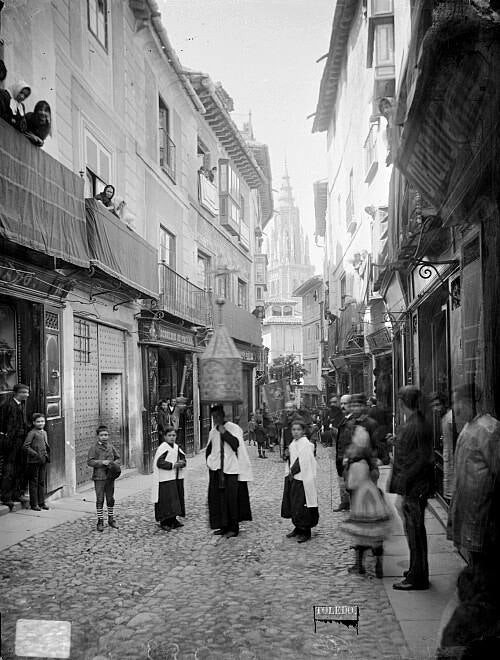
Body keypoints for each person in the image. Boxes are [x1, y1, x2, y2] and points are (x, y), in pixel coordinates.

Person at [447, 383, 500, 575]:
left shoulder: (489, 429)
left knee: (484, 564)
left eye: (456, 402)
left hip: (482, 512)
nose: (455, 408)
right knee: (475, 561)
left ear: (468, 402)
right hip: (469, 510)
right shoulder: (470, 426)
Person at [389, 386, 434, 590]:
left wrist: (405, 484)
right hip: (415, 485)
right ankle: (417, 568)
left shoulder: (414, 425)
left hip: (414, 487)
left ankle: (418, 576)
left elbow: (420, 459)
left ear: (401, 403)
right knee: (415, 529)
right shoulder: (417, 423)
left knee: (415, 531)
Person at [341, 428, 391, 577]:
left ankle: (359, 564)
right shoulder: (370, 459)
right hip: (373, 496)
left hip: (361, 498)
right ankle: (379, 564)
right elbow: (376, 475)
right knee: (375, 532)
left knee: (360, 532)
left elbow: (351, 484)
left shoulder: (356, 461)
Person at [206, 405, 252, 538]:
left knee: (231, 499)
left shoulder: (233, 428)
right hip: (217, 470)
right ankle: (223, 525)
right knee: (218, 499)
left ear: (223, 416)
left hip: (231, 469)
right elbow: (210, 449)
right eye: (214, 417)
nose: (216, 420)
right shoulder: (212, 432)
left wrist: (224, 432)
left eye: (218, 416)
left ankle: (233, 527)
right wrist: (210, 462)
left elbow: (235, 444)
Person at [281, 418, 319, 543]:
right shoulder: (293, 443)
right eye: (293, 429)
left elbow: (302, 461)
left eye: (298, 430)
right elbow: (292, 458)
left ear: (303, 431)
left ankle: (305, 530)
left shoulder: (306, 444)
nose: (295, 432)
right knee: (294, 503)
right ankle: (297, 527)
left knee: (303, 504)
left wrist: (292, 471)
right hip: (294, 478)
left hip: (303, 478)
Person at [0, 383, 30, 510]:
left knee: (20, 468)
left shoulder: (21, 404)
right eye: (25, 392)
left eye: (27, 392)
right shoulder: (7, 405)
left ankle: (16, 494)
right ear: (17, 393)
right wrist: (5, 438)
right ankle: (6, 497)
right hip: (10, 442)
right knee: (9, 469)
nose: (27, 395)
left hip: (20, 441)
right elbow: (2, 424)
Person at [151, 425, 186, 530]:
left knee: (175, 499)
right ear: (165, 437)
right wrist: (173, 465)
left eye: (174, 435)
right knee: (165, 500)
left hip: (175, 478)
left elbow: (183, 457)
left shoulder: (176, 447)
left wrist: (182, 462)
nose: (172, 437)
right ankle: (164, 521)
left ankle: (173, 519)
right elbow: (159, 462)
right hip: (165, 479)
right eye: (169, 435)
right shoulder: (163, 448)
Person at [87, 425, 121, 532]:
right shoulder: (94, 448)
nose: (104, 437)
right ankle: (100, 521)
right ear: (98, 436)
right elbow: (90, 461)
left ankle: (111, 519)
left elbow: (118, 458)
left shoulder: (111, 447)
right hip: (99, 477)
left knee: (110, 499)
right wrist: (102, 462)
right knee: (100, 499)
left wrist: (113, 464)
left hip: (110, 477)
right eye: (102, 435)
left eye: (106, 435)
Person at [23, 412, 50, 511]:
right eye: (38, 422)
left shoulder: (44, 432)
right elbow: (26, 446)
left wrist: (46, 455)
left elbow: (45, 445)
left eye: (42, 421)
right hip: (34, 461)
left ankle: (41, 502)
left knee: (41, 482)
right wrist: (35, 454)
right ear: (34, 423)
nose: (40, 423)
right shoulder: (32, 433)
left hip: (43, 460)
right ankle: (34, 504)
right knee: (34, 482)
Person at [334, 394, 353, 511]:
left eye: (345, 403)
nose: (343, 406)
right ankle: (345, 503)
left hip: (348, 457)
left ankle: (351, 504)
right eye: (341, 403)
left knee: (350, 483)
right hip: (341, 456)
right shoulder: (344, 419)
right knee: (343, 482)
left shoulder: (352, 421)